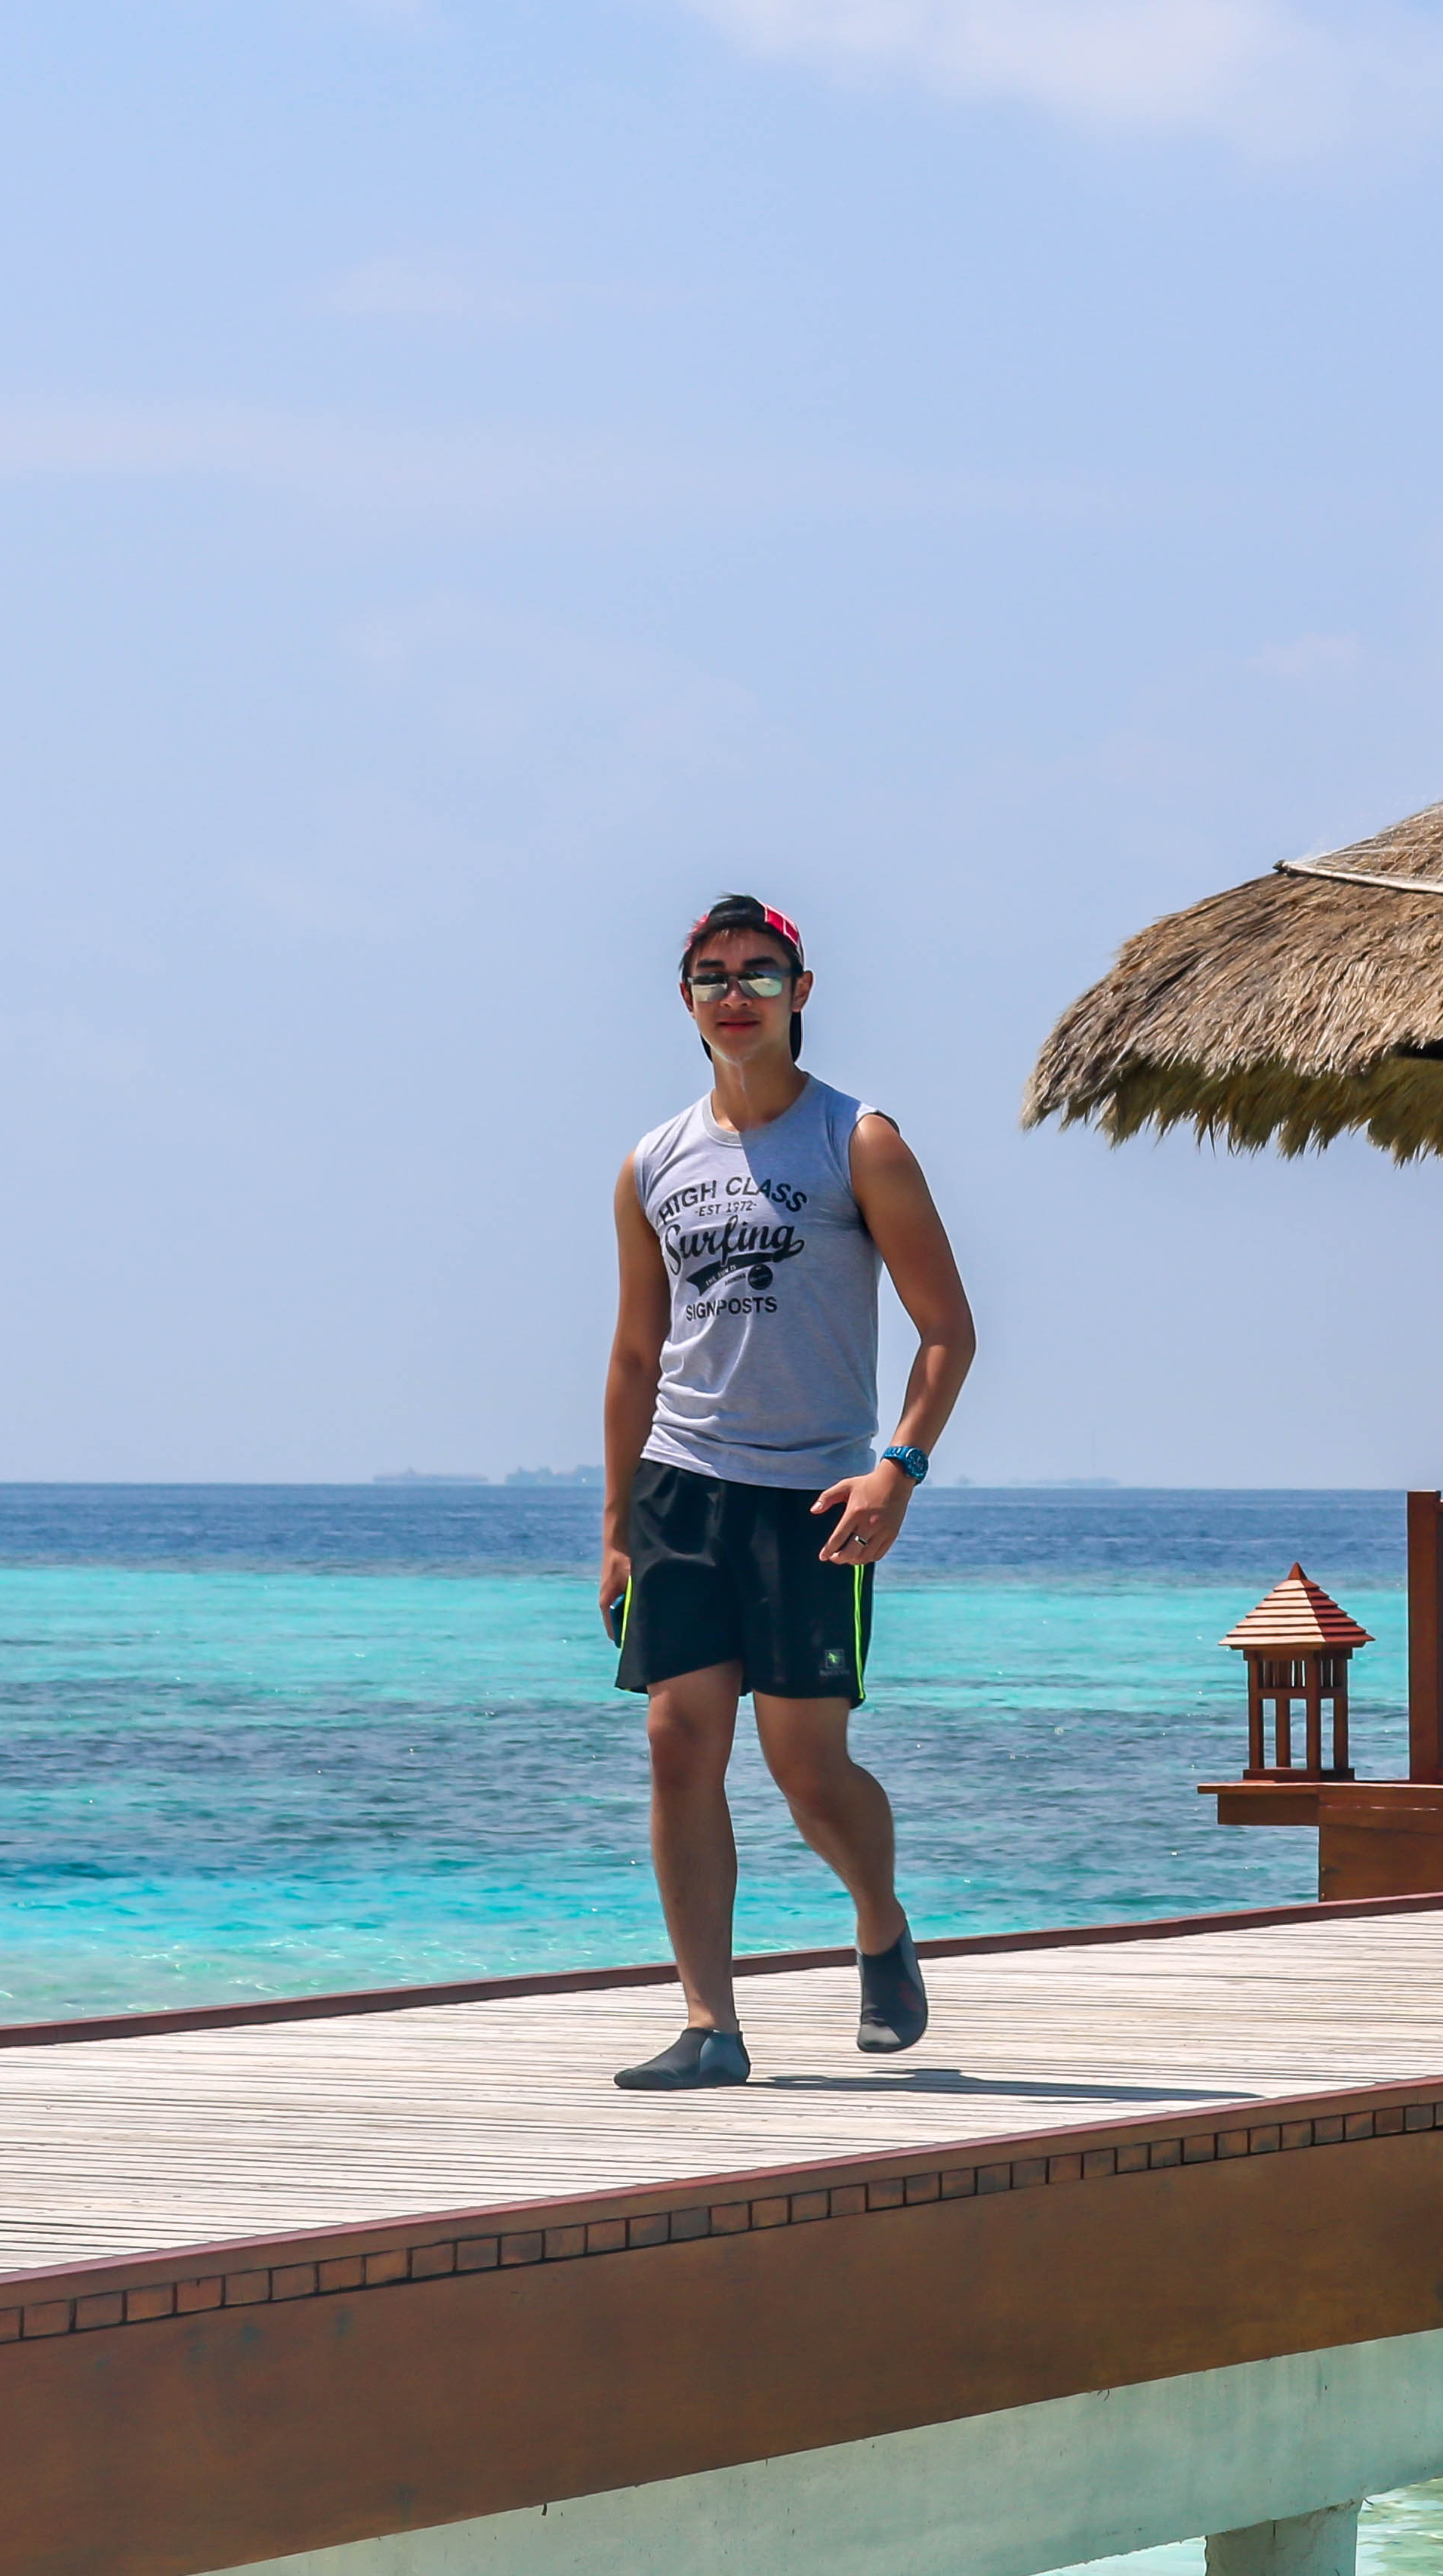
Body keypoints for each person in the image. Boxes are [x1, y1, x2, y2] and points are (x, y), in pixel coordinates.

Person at [601, 894, 977, 2090]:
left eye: (759, 973)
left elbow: (947, 1330)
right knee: (676, 1742)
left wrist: (897, 1468)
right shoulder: (653, 1161)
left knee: (804, 1765)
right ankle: (709, 2022)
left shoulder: (856, 1139)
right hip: (681, 1486)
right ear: (685, 999)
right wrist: (614, 1525)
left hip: (815, 1495)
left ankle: (878, 1919)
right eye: (713, 975)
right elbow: (635, 1354)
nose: (736, 994)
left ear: (800, 991)